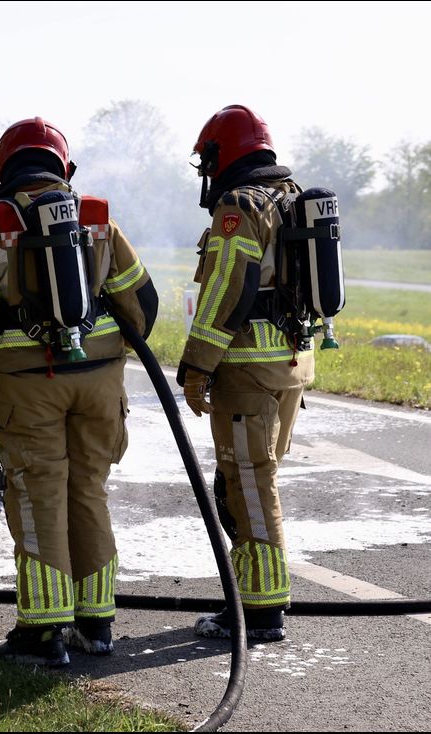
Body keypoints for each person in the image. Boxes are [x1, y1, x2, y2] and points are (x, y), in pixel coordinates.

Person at [0, 117, 158, 667]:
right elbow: (143, 305)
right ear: (64, 168)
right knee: (89, 493)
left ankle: (42, 634)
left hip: (31, 388)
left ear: (1, 168)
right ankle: (96, 625)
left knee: (38, 498)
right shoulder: (98, 220)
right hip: (101, 387)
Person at [180, 105, 314, 642]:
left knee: (250, 488)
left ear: (222, 155)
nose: (207, 174)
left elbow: (224, 292)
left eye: (207, 161)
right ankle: (257, 600)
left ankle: (261, 614)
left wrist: (195, 367)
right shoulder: (290, 197)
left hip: (247, 369)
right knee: (248, 482)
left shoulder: (239, 206)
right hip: (289, 364)